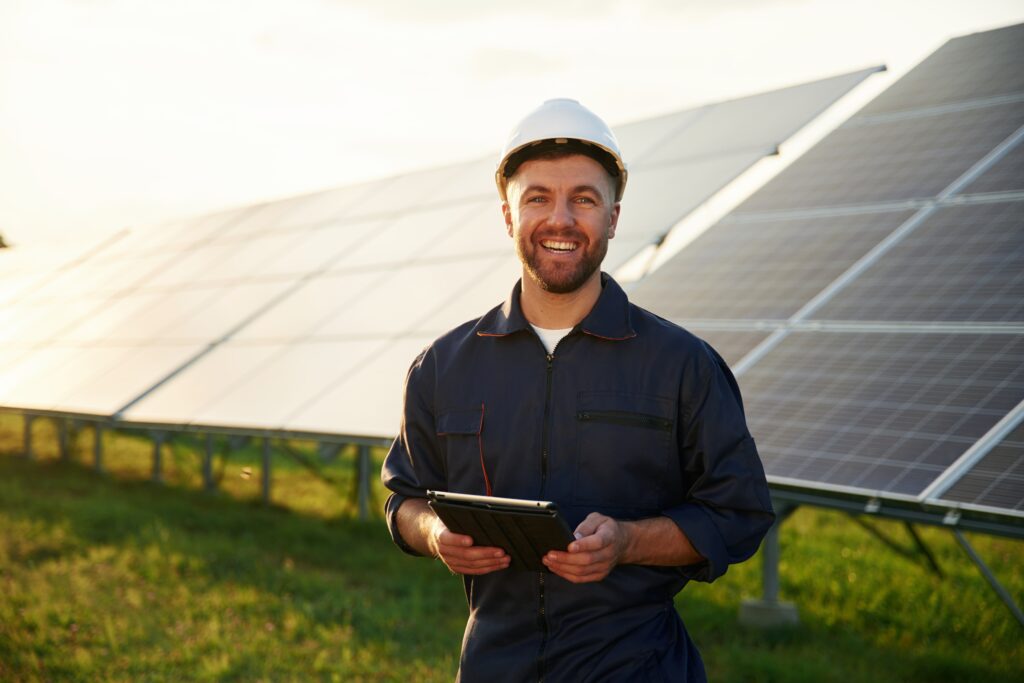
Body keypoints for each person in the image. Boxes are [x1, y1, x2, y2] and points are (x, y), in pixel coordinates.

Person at [381, 98, 775, 682]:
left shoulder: (681, 366)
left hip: (637, 666)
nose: (560, 219)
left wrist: (627, 542)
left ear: (613, 218)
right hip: (494, 666)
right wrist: (435, 533)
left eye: (584, 199)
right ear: (509, 216)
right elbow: (403, 500)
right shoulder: (443, 367)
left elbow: (737, 514)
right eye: (537, 196)